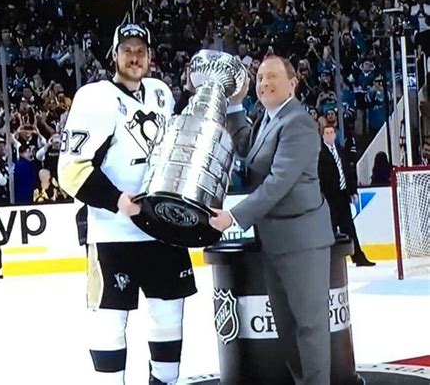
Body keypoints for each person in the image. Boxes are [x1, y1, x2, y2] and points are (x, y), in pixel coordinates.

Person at [58, 23, 196, 385]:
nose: (134, 57)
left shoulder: (162, 94)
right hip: (113, 232)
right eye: (127, 50)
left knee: (168, 315)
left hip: (164, 230)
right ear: (114, 55)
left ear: (150, 56)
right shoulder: (94, 97)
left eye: (141, 51)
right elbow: (70, 171)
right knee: (109, 320)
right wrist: (118, 201)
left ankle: (164, 382)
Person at [210, 55, 335, 385]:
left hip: (302, 241)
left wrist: (234, 217)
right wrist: (235, 106)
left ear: (293, 83)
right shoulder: (267, 120)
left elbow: (280, 181)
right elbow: (244, 150)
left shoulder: (299, 123)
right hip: (275, 241)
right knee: (288, 327)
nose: (264, 83)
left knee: (310, 327)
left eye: (272, 77)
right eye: (260, 77)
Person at [318, 125, 376, 267]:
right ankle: (328, 261)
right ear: (323, 135)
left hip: (343, 195)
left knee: (349, 228)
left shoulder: (340, 151)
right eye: (327, 133)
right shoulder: (320, 153)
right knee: (329, 228)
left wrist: (353, 191)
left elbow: (348, 172)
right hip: (330, 198)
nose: (330, 135)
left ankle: (358, 257)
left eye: (332, 132)